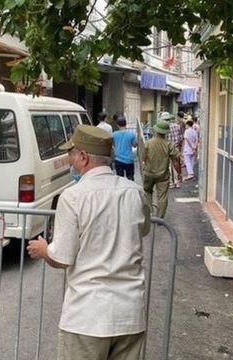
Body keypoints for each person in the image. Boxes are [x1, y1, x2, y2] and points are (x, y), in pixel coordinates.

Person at [26, 125, 151, 360]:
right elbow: (142, 230)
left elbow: (62, 258)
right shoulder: (134, 192)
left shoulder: (73, 197)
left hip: (87, 317)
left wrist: (44, 250)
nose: (69, 160)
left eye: (71, 154)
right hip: (130, 316)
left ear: (83, 156)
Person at [142, 118, 180, 218]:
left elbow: (143, 158)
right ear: (166, 132)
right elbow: (175, 161)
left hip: (149, 173)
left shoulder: (148, 143)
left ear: (156, 130)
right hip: (163, 175)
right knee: (162, 197)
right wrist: (179, 173)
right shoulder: (169, 145)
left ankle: (149, 214)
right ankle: (160, 218)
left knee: (147, 192)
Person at [112, 115, 137, 180]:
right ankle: (131, 189)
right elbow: (134, 145)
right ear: (125, 124)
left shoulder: (114, 134)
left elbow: (114, 145)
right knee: (130, 178)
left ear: (117, 125)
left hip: (118, 160)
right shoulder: (131, 134)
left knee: (120, 179)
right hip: (129, 160)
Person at [165, 112, 184, 188]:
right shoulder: (177, 126)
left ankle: (171, 183)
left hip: (168, 147)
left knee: (169, 166)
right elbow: (181, 137)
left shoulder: (165, 128)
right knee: (176, 164)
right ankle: (177, 182)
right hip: (176, 147)